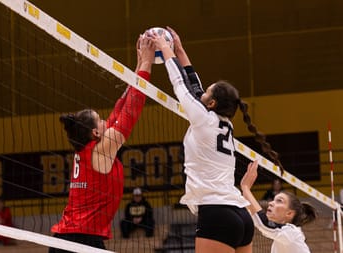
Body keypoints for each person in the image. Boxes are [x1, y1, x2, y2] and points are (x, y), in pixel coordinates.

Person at [149, 27, 285, 253]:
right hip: (241, 216)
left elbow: (180, 84)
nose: (203, 91)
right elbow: (195, 86)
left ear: (211, 103)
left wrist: (165, 49)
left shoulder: (203, 119)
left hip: (217, 215)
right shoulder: (223, 123)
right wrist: (180, 51)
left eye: (208, 91)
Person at [48, 35, 155, 252]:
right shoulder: (103, 149)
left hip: (68, 239)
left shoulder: (92, 147)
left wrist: (138, 65)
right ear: (95, 132)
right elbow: (131, 110)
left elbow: (120, 106)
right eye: (101, 120)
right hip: (80, 241)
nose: (107, 120)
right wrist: (148, 64)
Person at [241, 160, 316, 253]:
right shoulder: (285, 236)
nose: (271, 203)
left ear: (289, 213)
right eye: (273, 200)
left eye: (279, 201)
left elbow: (264, 224)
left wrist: (245, 187)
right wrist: (246, 193)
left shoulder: (291, 232)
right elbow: (258, 218)